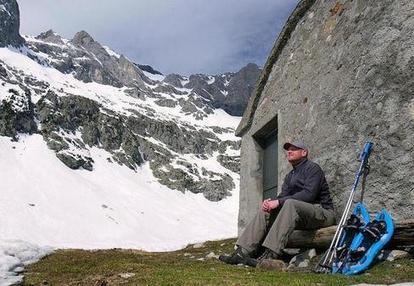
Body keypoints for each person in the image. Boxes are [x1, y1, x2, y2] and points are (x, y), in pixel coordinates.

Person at [219, 141, 335, 267]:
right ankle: (242, 252)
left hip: (323, 214)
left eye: (294, 149)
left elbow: (309, 195)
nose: (289, 151)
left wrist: (279, 202)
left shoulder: (313, 168)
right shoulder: (290, 175)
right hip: (301, 217)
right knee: (267, 210)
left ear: (304, 152)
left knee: (290, 204)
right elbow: (282, 197)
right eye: (288, 149)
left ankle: (270, 254)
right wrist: (270, 204)